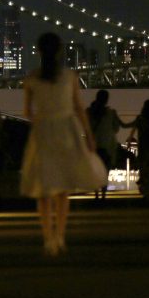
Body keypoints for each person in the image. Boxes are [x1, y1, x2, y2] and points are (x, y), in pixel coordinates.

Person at [21, 33, 102, 256]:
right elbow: (78, 107)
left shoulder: (31, 78)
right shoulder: (70, 77)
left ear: (38, 51)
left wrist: (43, 118)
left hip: (43, 133)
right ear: (59, 51)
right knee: (63, 189)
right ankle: (60, 236)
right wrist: (89, 136)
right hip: (67, 132)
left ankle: (48, 238)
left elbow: (27, 112)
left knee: (44, 188)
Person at [87, 89, 133, 200]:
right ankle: (103, 195)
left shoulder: (89, 111)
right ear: (107, 100)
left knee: (95, 171)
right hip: (107, 147)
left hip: (93, 147)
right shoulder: (111, 113)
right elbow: (117, 128)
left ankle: (96, 195)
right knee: (105, 172)